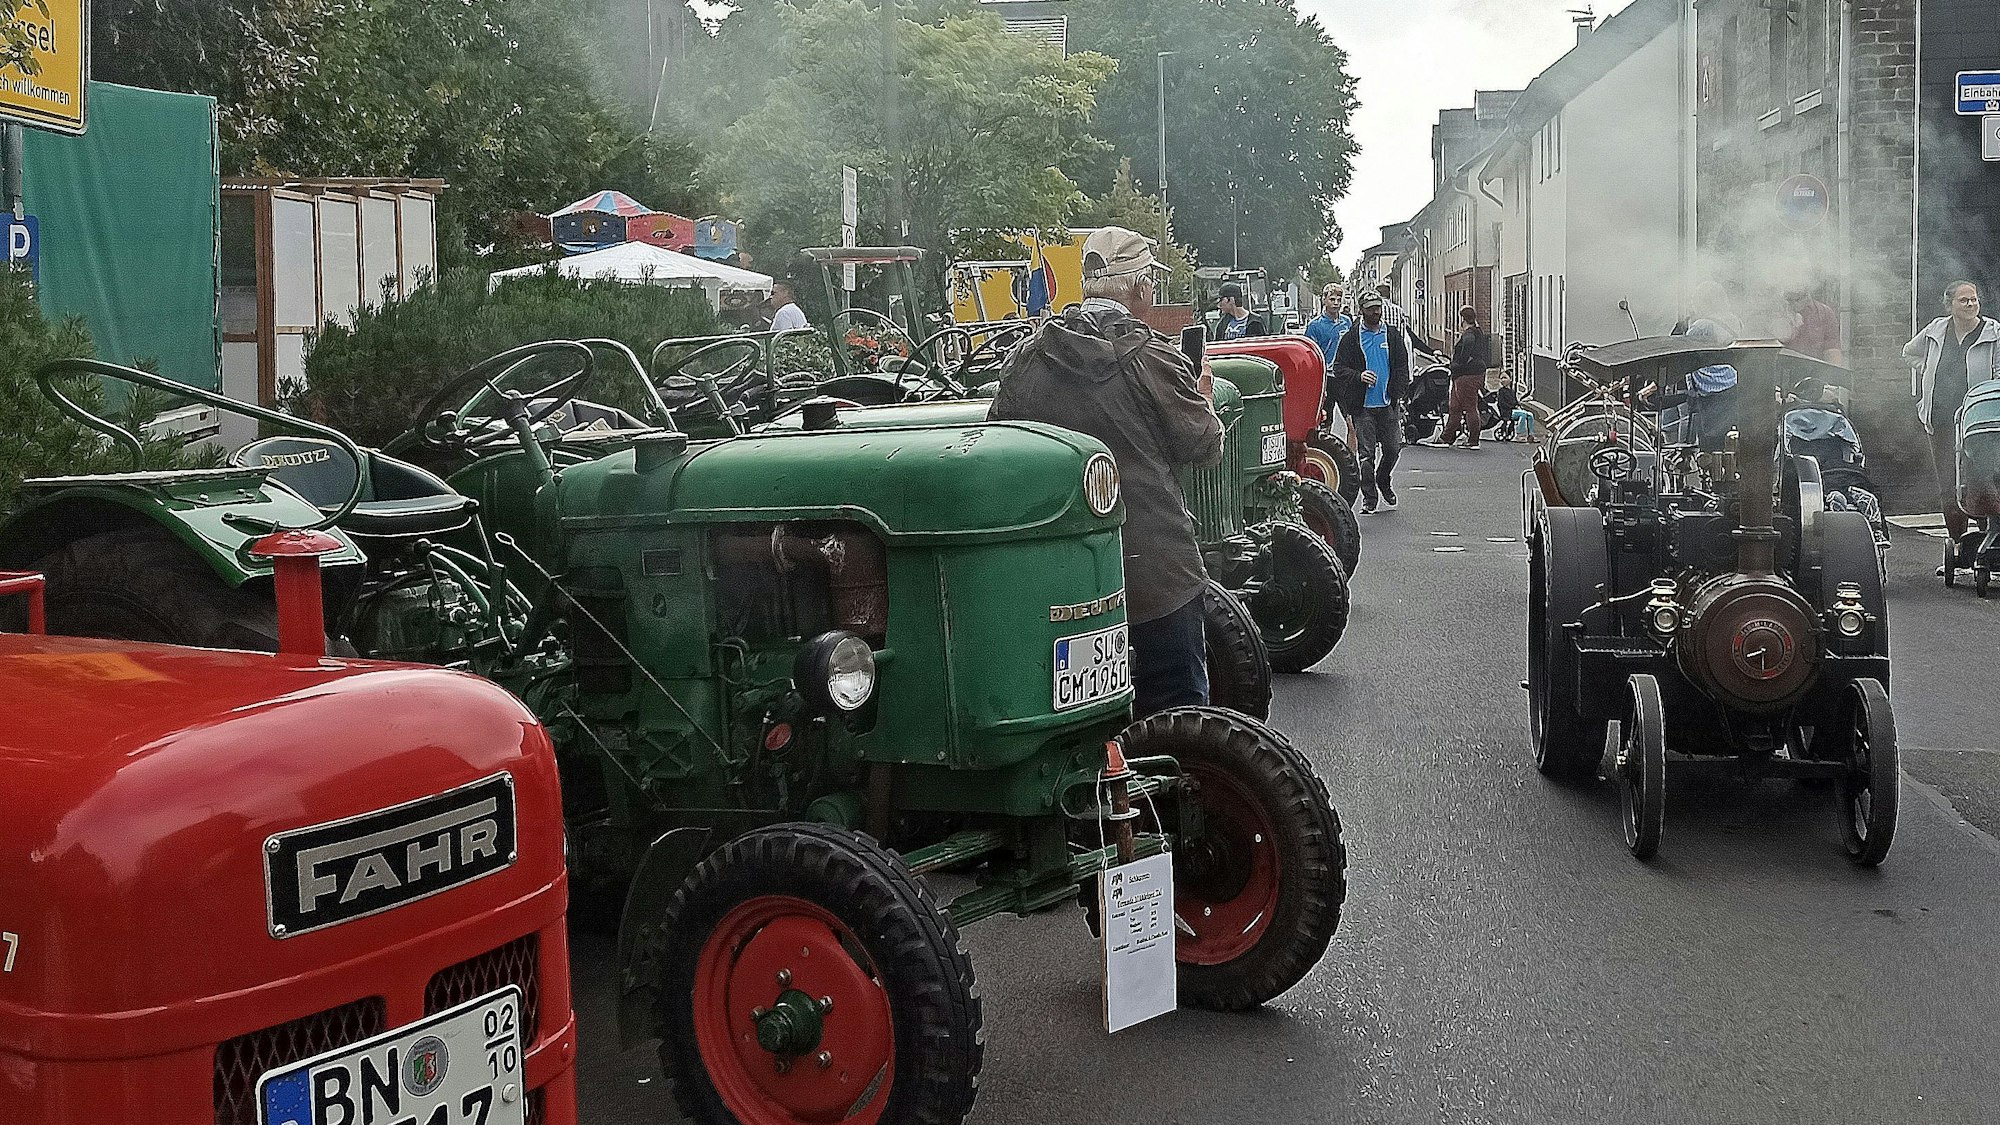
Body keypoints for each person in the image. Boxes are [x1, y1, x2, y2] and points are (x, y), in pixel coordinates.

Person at [988, 227, 1224, 717]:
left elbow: (999, 448)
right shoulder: (1155, 358)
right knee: (1180, 726)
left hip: (1061, 584)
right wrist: (1199, 396)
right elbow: (1205, 445)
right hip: (1155, 575)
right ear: (1140, 288)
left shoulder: (1029, 360)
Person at [1904, 280, 2000, 566]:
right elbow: (1908, 352)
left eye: (1974, 300)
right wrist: (1927, 370)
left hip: (1979, 421)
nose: (1971, 304)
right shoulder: (1935, 331)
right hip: (1942, 418)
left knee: (1983, 479)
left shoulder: (1994, 333)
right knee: (1948, 483)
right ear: (1950, 306)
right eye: (1964, 300)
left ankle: (1988, 540)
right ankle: (1958, 545)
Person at [1333, 290, 1411, 513]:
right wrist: (1359, 376)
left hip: (1388, 404)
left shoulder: (1392, 335)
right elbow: (1339, 368)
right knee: (1366, 455)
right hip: (1363, 406)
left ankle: (1383, 480)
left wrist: (1399, 392)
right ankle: (1369, 496)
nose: (1376, 312)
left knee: (1393, 449)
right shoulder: (1352, 337)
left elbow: (1401, 367)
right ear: (1362, 310)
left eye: (1378, 308)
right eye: (1371, 309)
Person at [1303, 284, 1356, 443]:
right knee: (1325, 422)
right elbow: (1310, 355)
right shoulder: (1315, 325)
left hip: (1345, 377)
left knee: (1352, 422)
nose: (1336, 303)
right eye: (1332, 299)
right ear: (1324, 300)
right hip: (1326, 378)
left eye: (1339, 299)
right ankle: (1325, 455)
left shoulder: (1347, 322)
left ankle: (1353, 460)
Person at [1440, 305, 1494, 449]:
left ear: (1462, 319)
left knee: (1470, 407)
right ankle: (1446, 437)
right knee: (1455, 407)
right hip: (1466, 375)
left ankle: (1473, 440)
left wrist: (1460, 362)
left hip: (1467, 375)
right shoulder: (1478, 332)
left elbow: (1467, 347)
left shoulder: (1469, 334)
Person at [1784, 286, 1843, 365]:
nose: (1795, 304)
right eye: (1790, 301)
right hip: (1782, 371)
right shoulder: (1774, 313)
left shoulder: (1824, 313)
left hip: (1814, 372)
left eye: (1798, 299)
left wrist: (1831, 374)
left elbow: (1832, 350)